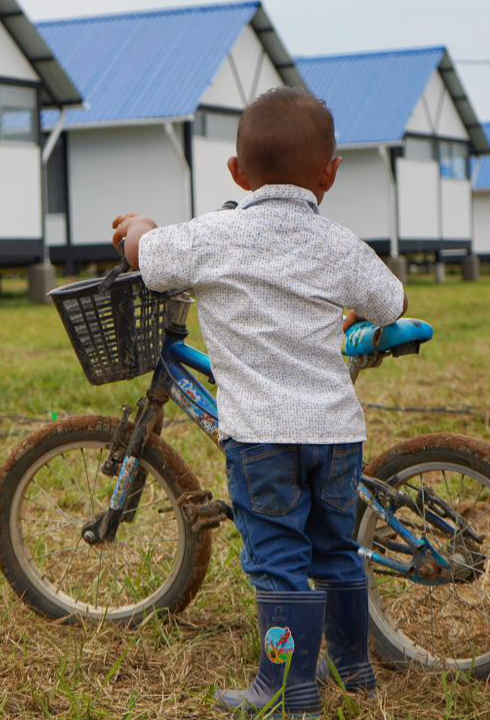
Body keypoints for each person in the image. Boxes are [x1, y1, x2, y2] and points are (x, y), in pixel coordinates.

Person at [111, 87, 406, 717]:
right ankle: (353, 668)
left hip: (263, 439)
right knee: (336, 551)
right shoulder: (339, 244)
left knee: (277, 560)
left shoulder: (215, 235)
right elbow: (391, 302)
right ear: (330, 173)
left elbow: (147, 257)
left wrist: (139, 229)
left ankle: (287, 687)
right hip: (336, 434)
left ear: (237, 173)